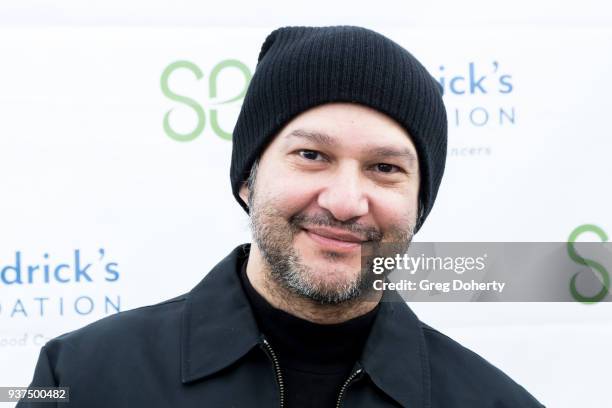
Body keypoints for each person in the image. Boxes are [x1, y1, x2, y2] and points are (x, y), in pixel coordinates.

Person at [19, 25, 545, 407]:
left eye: (384, 168)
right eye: (312, 156)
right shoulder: (79, 378)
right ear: (248, 178)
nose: (344, 202)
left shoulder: (496, 403)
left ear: (420, 203)